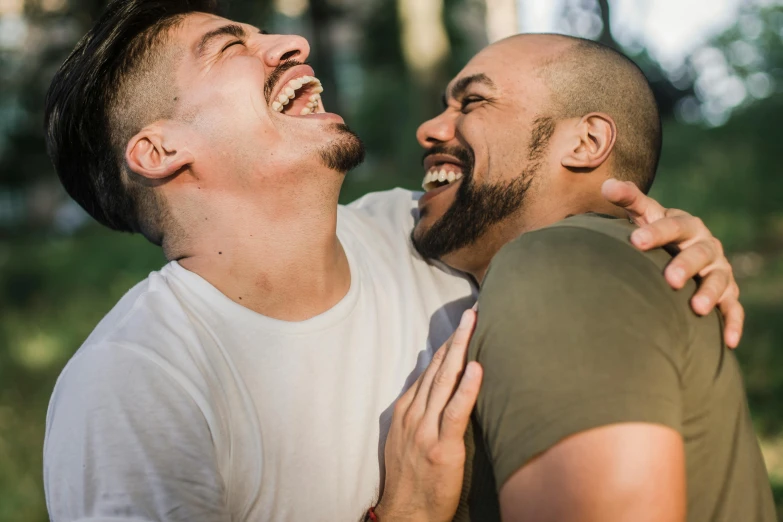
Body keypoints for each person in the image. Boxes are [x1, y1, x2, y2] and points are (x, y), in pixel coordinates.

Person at [41, 1, 744, 521]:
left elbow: (552, 214)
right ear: (161, 151)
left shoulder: (423, 232)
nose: (289, 43)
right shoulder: (136, 384)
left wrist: (658, 240)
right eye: (229, 47)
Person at [408, 34, 776, 521]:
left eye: (472, 102)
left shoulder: (555, 265)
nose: (429, 129)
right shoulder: (611, 264)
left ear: (586, 142)